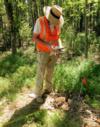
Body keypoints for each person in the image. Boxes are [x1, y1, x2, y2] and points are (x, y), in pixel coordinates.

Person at [29, 5, 64, 102]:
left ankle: (48, 90)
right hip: (42, 51)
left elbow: (58, 37)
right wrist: (47, 45)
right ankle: (37, 94)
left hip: (54, 51)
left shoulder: (57, 23)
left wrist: (59, 48)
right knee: (41, 72)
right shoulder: (39, 21)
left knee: (50, 71)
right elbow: (34, 38)